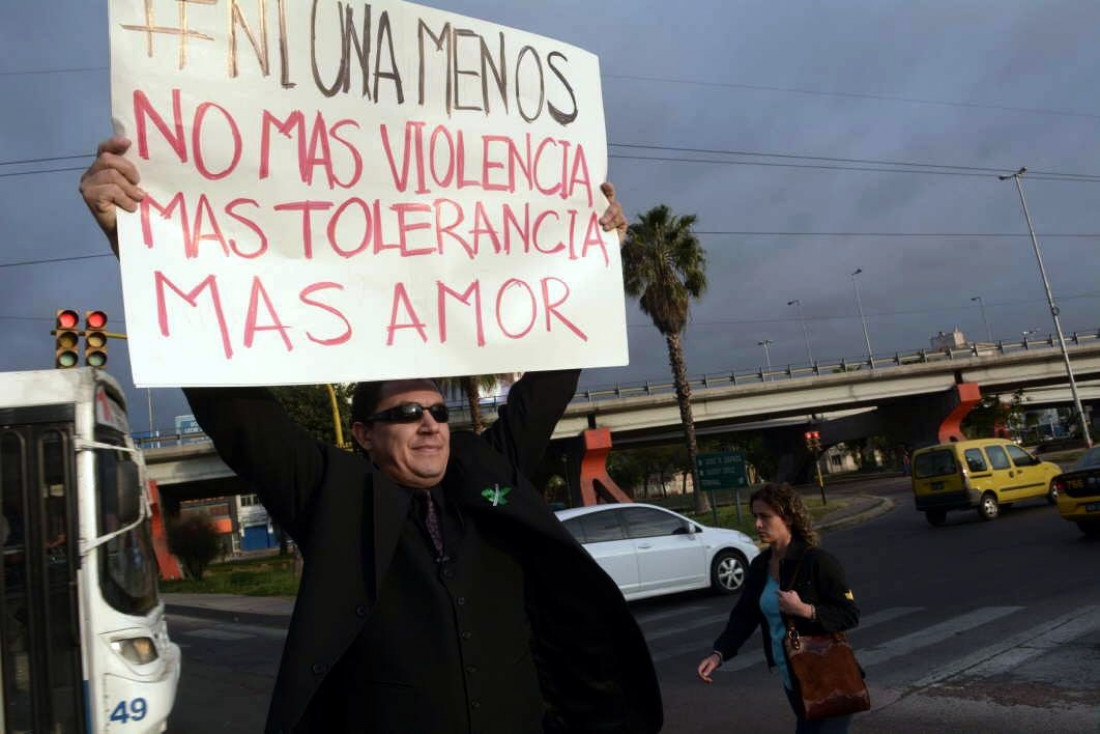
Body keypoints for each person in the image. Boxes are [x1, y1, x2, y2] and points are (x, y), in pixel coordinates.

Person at [80, 137, 662, 734]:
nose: (431, 423)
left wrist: (598, 256)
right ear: (363, 432)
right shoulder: (334, 497)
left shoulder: (487, 474)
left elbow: (548, 385)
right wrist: (132, 240)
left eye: (438, 410)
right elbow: (237, 411)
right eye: (407, 412)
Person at [696, 483, 860, 734]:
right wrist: (719, 654)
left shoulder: (817, 561)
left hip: (827, 675)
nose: (758, 525)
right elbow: (744, 615)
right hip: (793, 676)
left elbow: (849, 613)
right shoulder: (761, 564)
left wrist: (806, 610)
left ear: (789, 518)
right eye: (755, 517)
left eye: (765, 516)